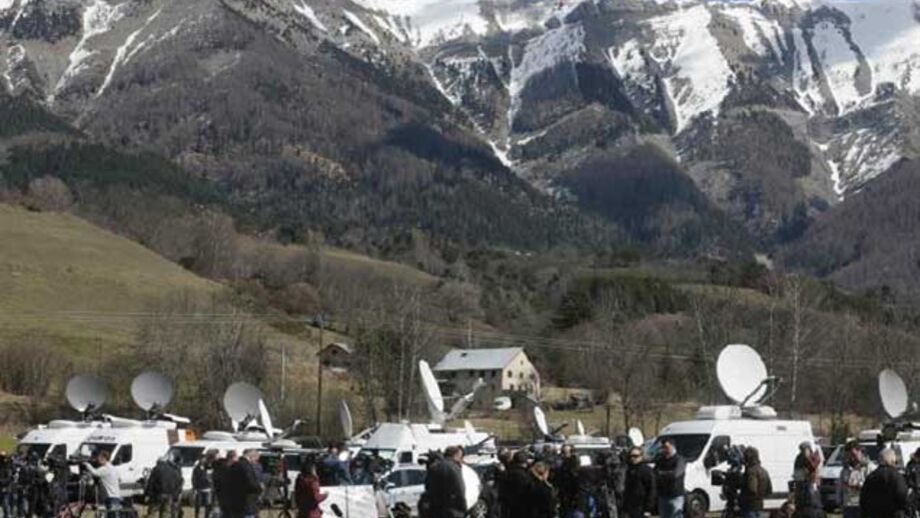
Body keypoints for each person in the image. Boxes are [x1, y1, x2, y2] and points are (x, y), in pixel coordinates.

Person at [860, 448, 908, 518]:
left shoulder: (871, 477)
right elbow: (902, 495)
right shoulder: (897, 476)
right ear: (892, 460)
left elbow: (863, 499)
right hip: (894, 514)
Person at [423, 446, 466, 518]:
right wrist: (463, 507)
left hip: (435, 509)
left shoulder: (433, 467)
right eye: (460, 457)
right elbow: (460, 489)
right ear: (456, 455)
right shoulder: (454, 468)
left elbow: (427, 486)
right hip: (452, 510)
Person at [839, 442, 875, 518]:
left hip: (863, 505)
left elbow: (873, 486)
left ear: (860, 452)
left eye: (853, 455)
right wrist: (839, 500)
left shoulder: (870, 468)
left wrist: (859, 485)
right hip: (848, 505)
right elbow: (840, 486)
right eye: (849, 455)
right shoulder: (845, 469)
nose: (852, 458)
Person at [82, 451, 122, 515]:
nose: (98, 460)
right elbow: (120, 479)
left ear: (103, 458)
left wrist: (87, 464)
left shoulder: (105, 469)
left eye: (99, 458)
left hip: (111, 497)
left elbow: (95, 472)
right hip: (116, 496)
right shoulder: (113, 468)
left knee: (112, 515)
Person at [226, 449, 262, 518]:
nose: (255, 462)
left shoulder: (235, 465)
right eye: (256, 460)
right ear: (252, 456)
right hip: (247, 501)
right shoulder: (246, 466)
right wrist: (259, 489)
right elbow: (250, 483)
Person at [655, 438, 686, 518]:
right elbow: (655, 473)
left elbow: (676, 474)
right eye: (663, 448)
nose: (664, 450)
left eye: (666, 447)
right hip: (663, 495)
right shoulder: (660, 460)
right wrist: (666, 473)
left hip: (676, 495)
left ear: (673, 447)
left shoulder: (680, 460)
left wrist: (662, 473)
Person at [146, 454, 184, 518]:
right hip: (169, 495)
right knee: (166, 514)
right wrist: (176, 495)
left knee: (153, 513)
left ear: (158, 462)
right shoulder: (173, 470)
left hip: (158, 495)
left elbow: (151, 483)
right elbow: (178, 483)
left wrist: (148, 494)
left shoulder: (156, 469)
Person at [739, 447, 772, 518]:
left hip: (749, 506)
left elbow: (752, 489)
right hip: (760, 505)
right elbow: (769, 490)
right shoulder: (764, 471)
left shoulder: (751, 471)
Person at [624, 447, 656, 518]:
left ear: (641, 456)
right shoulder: (629, 470)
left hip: (642, 506)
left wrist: (648, 508)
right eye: (631, 456)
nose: (632, 458)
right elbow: (627, 489)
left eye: (635, 456)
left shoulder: (646, 470)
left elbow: (651, 489)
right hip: (631, 506)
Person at [498, 450, 532, 518]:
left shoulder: (505, 474)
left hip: (508, 508)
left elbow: (501, 492)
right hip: (523, 508)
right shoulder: (526, 476)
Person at [213, 450, 238, 518]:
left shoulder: (221, 467)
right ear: (232, 458)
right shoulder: (225, 468)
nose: (237, 459)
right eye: (236, 457)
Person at [193, 450, 218, 518]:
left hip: (208, 489)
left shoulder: (209, 467)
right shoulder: (197, 468)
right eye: (201, 459)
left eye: (204, 459)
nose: (203, 460)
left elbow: (212, 476)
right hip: (199, 489)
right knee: (199, 505)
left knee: (208, 505)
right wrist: (195, 488)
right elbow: (194, 478)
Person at [557, 444, 580, 517]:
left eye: (567, 452)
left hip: (572, 491)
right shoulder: (560, 461)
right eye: (564, 452)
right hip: (563, 491)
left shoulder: (574, 461)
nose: (565, 454)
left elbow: (575, 475)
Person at [0, 452, 12, 518]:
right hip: (2, 487)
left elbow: (9, 478)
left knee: (5, 504)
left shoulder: (7, 466)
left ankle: (7, 515)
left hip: (5, 488)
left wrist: (1, 481)